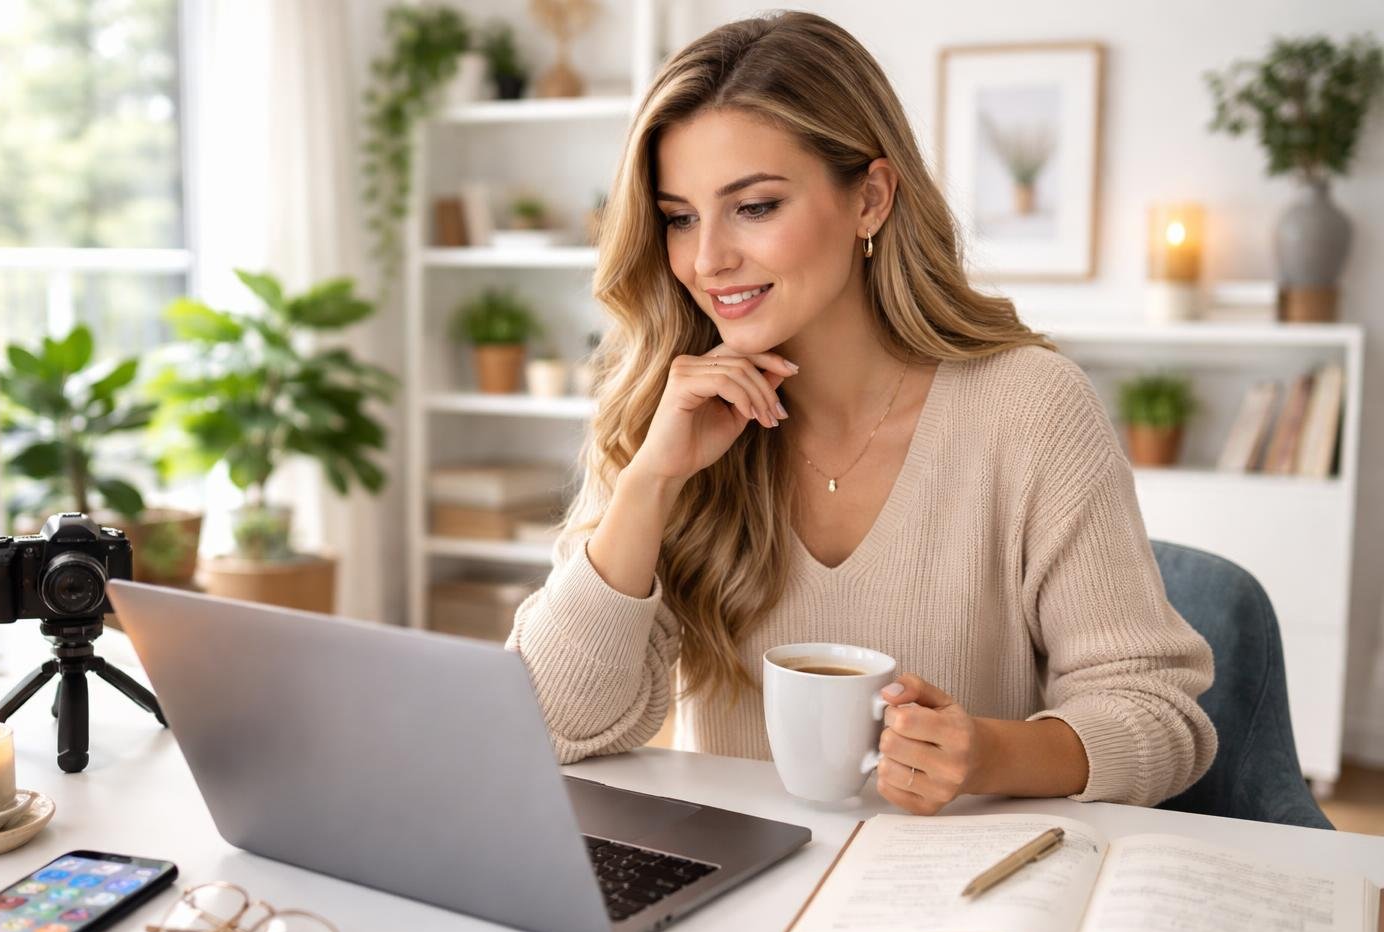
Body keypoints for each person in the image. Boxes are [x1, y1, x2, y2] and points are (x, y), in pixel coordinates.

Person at [507, 11, 1216, 814]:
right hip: (740, 879)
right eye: (679, 217)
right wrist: (650, 482)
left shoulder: (1030, 408)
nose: (707, 260)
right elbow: (548, 724)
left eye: (755, 206)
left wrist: (988, 754)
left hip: (964, 876)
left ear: (871, 199)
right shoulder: (668, 415)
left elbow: (1157, 714)